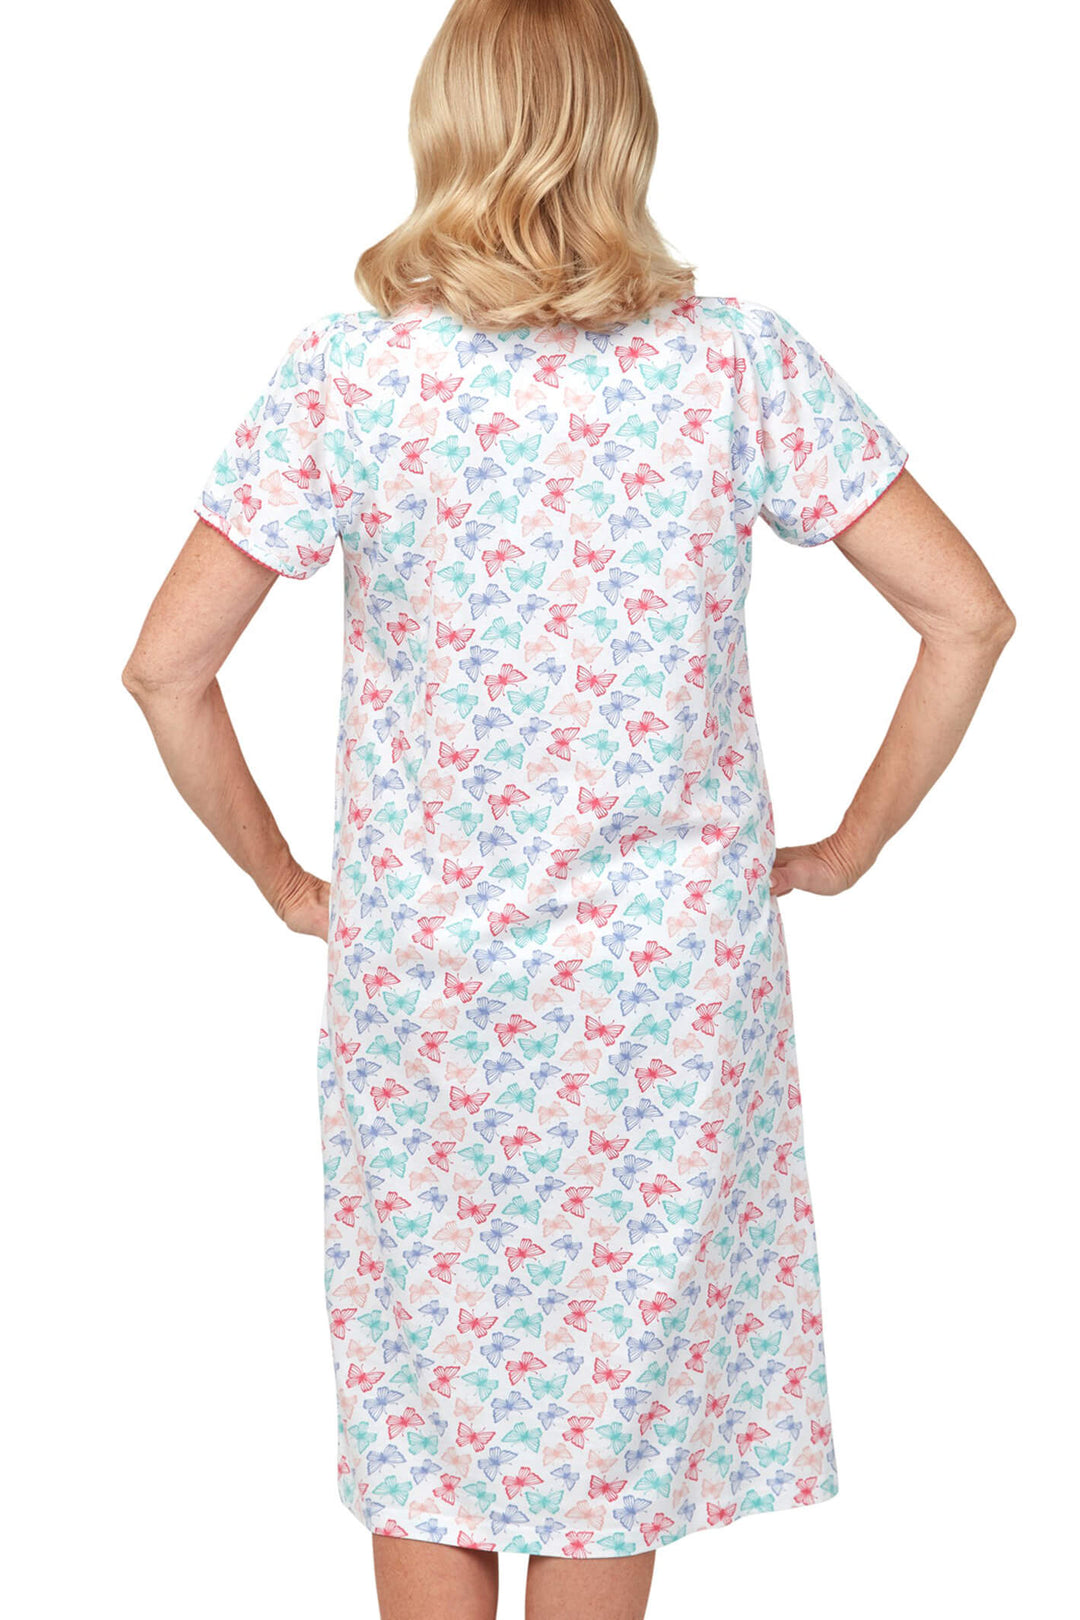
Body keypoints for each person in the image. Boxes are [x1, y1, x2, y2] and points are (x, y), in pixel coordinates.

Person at [122, 2, 1015, 1616]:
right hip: (665, 1002)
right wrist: (847, 848)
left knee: (431, 1422)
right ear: (624, 132)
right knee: (612, 1430)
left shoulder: (350, 377)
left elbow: (167, 670)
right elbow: (966, 618)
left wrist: (285, 880)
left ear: (444, 125)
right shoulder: (733, 362)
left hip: (430, 992)